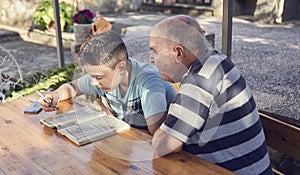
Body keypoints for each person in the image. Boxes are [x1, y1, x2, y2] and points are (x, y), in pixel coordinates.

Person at [150, 15, 273, 174]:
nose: (151, 59)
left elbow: (162, 145)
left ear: (178, 53)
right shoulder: (216, 60)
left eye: (154, 51)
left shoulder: (200, 80)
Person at [38, 31, 176, 135]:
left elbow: (158, 136)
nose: (93, 83)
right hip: (127, 142)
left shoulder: (147, 82)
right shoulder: (104, 77)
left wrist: (115, 123)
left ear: (120, 68)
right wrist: (55, 94)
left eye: (98, 77)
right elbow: (71, 88)